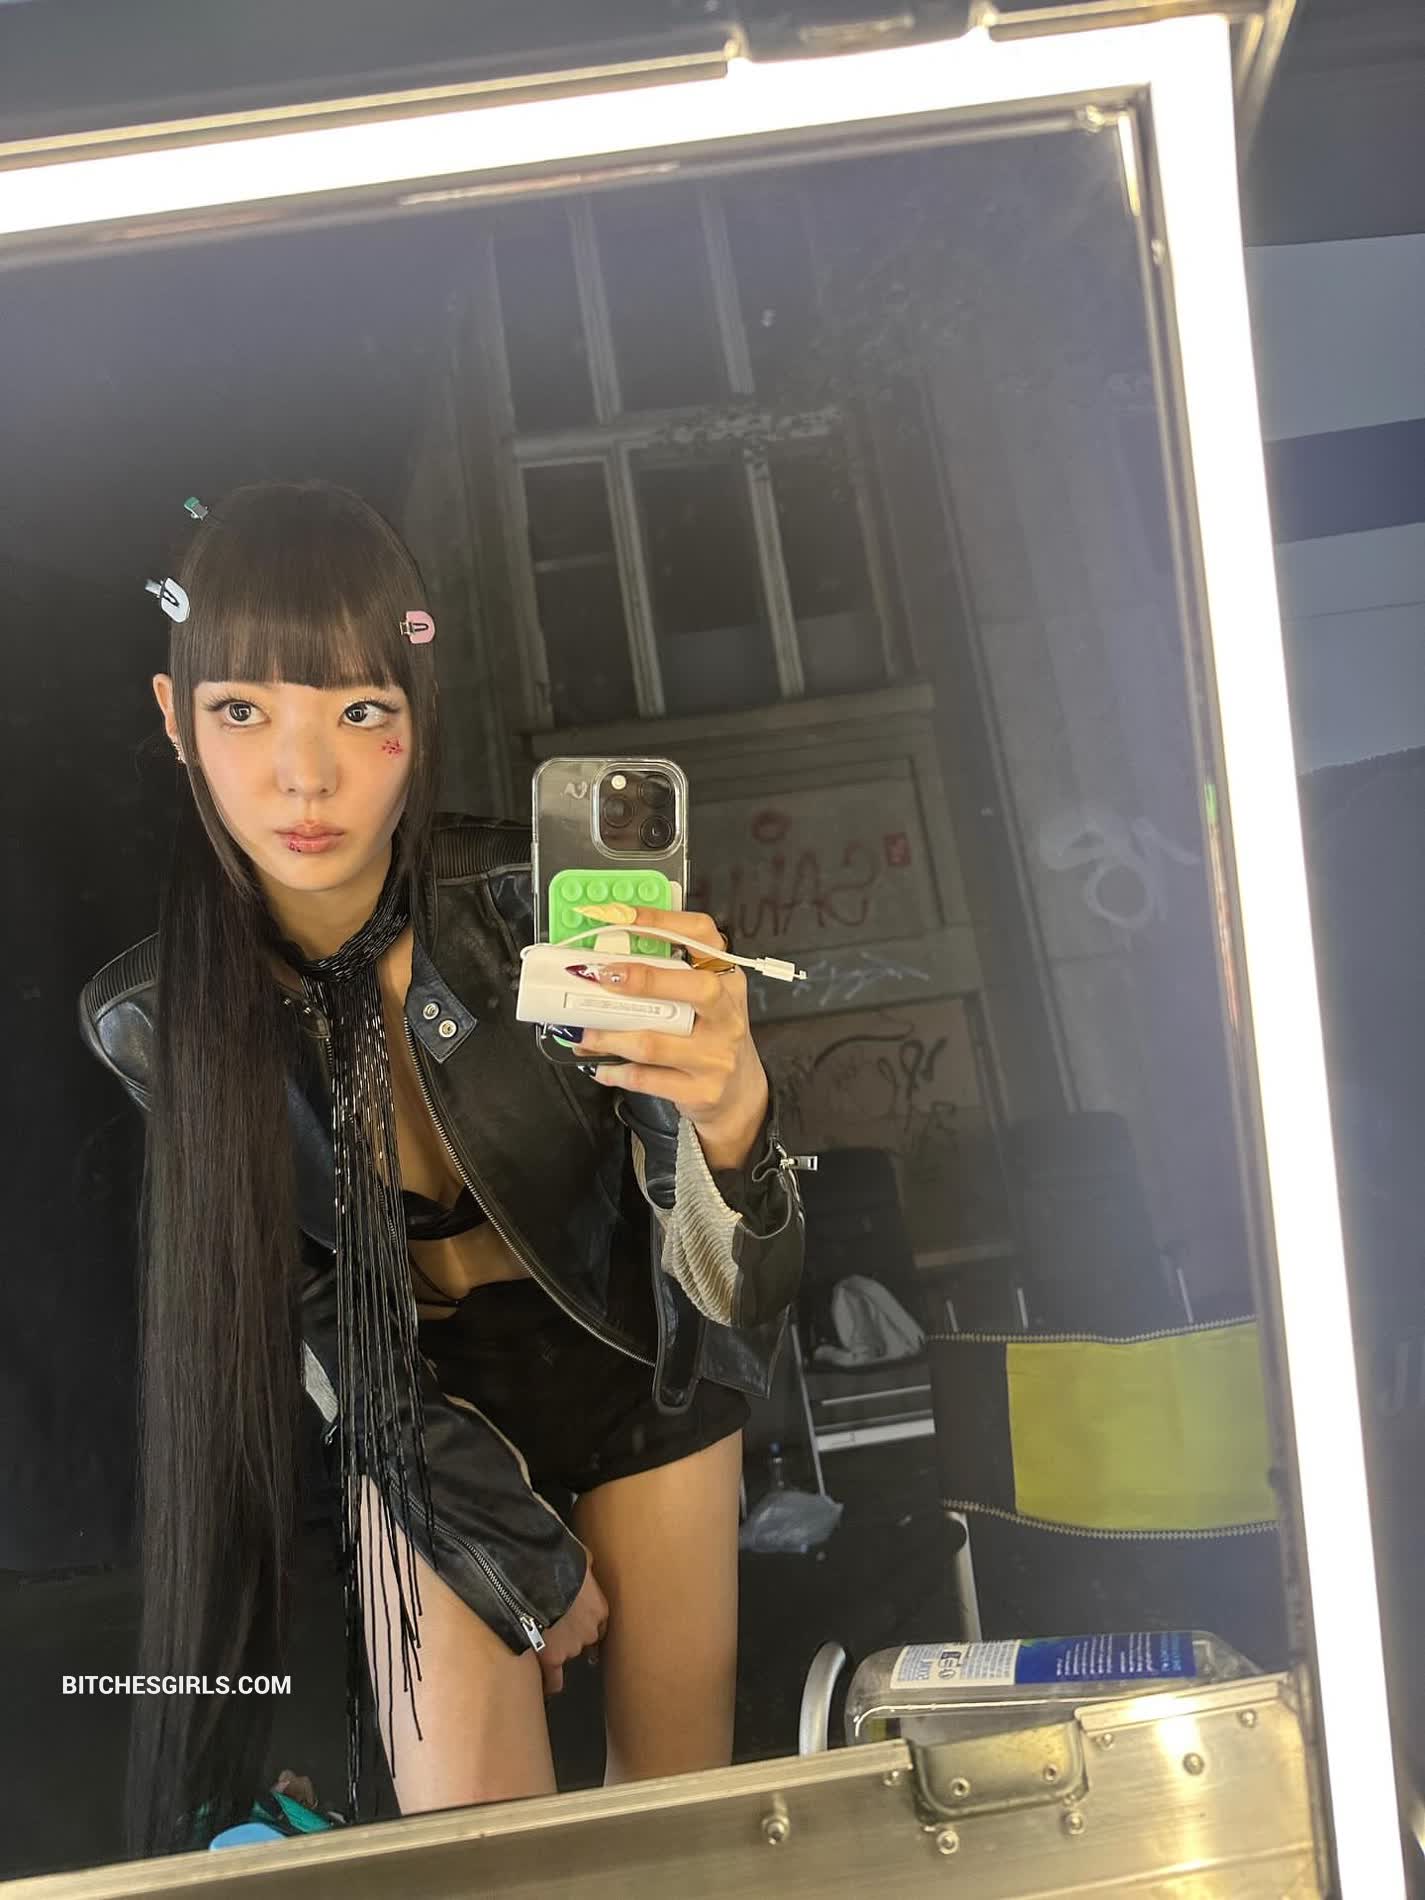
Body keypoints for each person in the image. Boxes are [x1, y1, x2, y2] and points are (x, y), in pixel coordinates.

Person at [77, 480, 806, 1858]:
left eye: (360, 712)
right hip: (418, 1413)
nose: (305, 778)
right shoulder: (158, 1020)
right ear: (175, 719)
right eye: (243, 712)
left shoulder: (537, 908)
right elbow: (313, 1329)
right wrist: (507, 1549)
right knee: (481, 1862)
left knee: (673, 1847)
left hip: (639, 1370)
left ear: (418, 715)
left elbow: (739, 1297)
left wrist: (734, 1124)